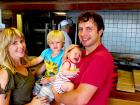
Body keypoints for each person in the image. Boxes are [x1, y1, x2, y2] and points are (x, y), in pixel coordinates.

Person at [52, 11, 114, 105]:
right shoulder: (81, 55)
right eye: (81, 29)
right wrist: (65, 56)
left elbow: (79, 99)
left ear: (100, 32)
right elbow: (66, 75)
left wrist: (57, 96)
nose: (83, 34)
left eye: (89, 29)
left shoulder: (101, 58)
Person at [0, 27, 47, 105]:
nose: (21, 46)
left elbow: (27, 79)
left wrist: (49, 63)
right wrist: (32, 104)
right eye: (14, 43)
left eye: (21, 41)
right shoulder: (5, 73)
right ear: (6, 47)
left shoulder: (22, 63)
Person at [26, 30, 65, 103]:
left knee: (46, 93)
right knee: (35, 87)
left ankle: (44, 102)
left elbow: (61, 74)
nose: (55, 45)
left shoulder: (63, 55)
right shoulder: (46, 52)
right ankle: (36, 97)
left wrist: (49, 80)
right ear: (48, 44)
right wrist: (28, 64)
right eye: (52, 43)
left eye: (58, 42)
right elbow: (37, 60)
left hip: (56, 80)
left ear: (63, 44)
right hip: (46, 77)